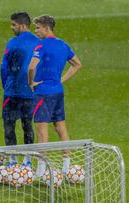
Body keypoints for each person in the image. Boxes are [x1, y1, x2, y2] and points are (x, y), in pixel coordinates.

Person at [28, 15, 82, 176]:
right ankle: (66, 168)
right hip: (58, 91)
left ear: (46, 28)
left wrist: (31, 83)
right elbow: (77, 64)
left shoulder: (41, 45)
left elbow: (31, 67)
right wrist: (61, 80)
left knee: (42, 130)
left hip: (43, 92)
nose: (36, 31)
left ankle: (41, 170)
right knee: (61, 128)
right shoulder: (63, 45)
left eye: (37, 28)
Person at [0, 12, 40, 167]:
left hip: (13, 91)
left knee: (9, 125)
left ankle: (12, 161)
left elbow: (4, 66)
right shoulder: (38, 42)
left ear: (22, 25)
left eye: (13, 24)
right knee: (27, 125)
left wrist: (6, 86)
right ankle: (27, 161)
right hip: (30, 92)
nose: (12, 28)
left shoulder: (13, 43)